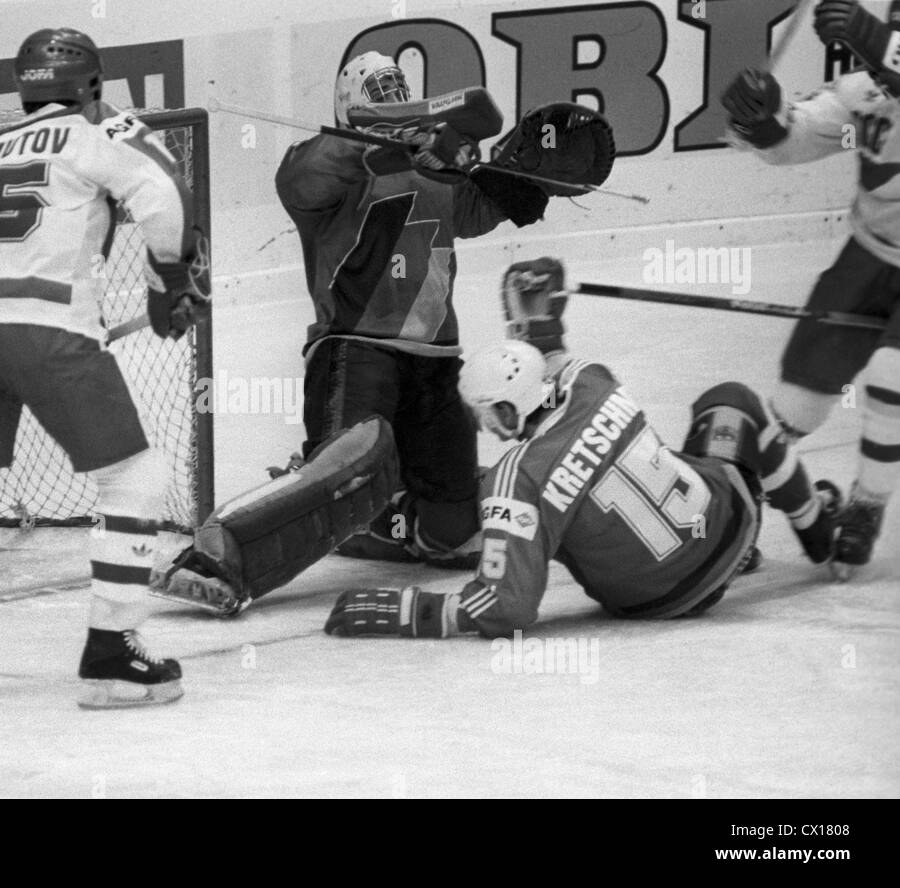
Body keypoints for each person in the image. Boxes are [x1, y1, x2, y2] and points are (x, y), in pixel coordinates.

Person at [155, 54, 612, 616]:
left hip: (437, 358)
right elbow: (303, 175)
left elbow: (488, 205)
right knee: (351, 467)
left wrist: (530, 170)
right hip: (355, 347)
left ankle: (367, 525)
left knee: (451, 530)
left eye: (400, 96)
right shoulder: (326, 166)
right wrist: (390, 139)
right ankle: (215, 553)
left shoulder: (436, 171)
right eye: (381, 97)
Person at [0, 27, 205, 708]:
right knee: (135, 479)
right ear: (92, 85)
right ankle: (112, 654)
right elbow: (164, 195)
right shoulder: (98, 134)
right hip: (44, 330)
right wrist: (169, 281)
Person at [325, 258, 839, 639]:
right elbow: (550, 361)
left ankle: (393, 525)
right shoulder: (592, 381)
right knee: (730, 401)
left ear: (506, 412)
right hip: (725, 529)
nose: (479, 421)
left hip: (656, 600)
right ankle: (819, 532)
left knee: (507, 507)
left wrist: (414, 612)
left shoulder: (516, 481)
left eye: (484, 409)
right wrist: (538, 319)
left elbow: (507, 608)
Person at [720, 0, 900, 579]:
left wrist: (875, 37)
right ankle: (730, 511)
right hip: (871, 254)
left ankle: (868, 506)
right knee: (795, 401)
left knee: (892, 377)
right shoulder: (868, 94)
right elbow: (791, 141)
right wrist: (761, 119)